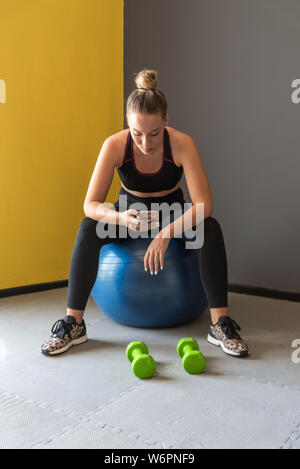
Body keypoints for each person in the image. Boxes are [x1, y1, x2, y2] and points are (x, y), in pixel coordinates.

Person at [41, 69, 249, 358]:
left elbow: (203, 205)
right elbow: (90, 204)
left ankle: (220, 324)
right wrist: (121, 219)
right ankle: (73, 324)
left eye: (154, 133)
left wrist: (167, 232)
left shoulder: (182, 144)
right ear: (128, 122)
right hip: (129, 216)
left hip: (172, 215)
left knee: (210, 227)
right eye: (137, 133)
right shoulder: (114, 145)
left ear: (166, 120)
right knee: (89, 227)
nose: (146, 143)